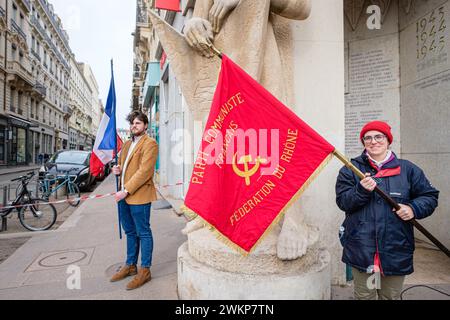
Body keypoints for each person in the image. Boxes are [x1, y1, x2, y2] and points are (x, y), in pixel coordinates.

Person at [335, 120, 439, 300]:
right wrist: (361, 190)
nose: (373, 141)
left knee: (389, 296)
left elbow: (429, 196)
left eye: (378, 136)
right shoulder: (350, 170)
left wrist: (413, 208)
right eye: (367, 138)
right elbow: (344, 202)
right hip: (364, 251)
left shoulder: (407, 169)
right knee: (366, 295)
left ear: (388, 140)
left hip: (395, 249)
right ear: (363, 142)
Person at [109, 111, 158, 290]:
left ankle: (145, 270)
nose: (134, 126)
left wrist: (126, 190)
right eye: (132, 123)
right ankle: (130, 265)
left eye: (138, 123)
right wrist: (117, 170)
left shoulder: (150, 144)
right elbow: (125, 167)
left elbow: (144, 172)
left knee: (143, 232)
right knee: (130, 232)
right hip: (123, 195)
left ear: (145, 125)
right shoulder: (128, 144)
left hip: (138, 195)